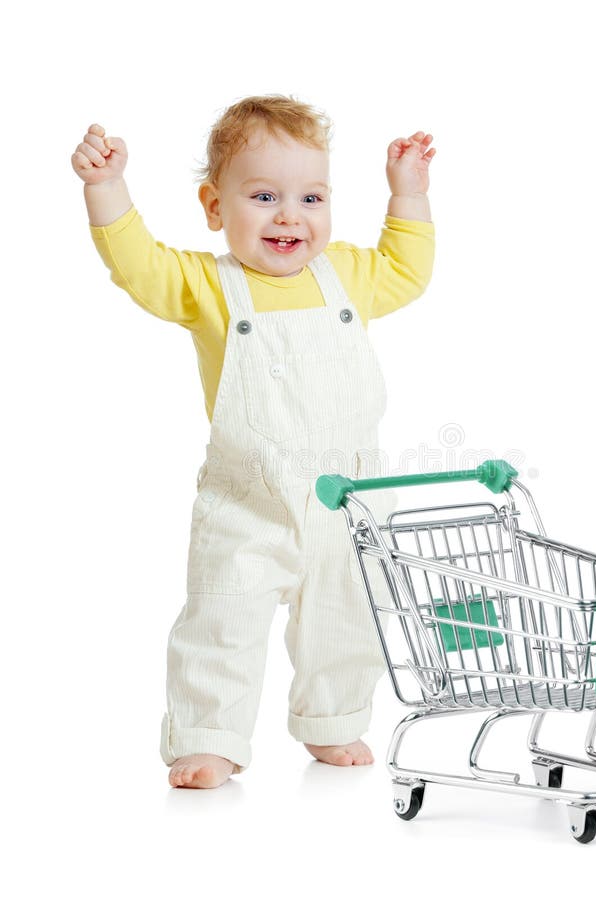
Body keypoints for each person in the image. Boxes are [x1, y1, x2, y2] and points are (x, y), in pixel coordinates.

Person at [71, 95, 435, 789]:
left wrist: (407, 195)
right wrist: (105, 187)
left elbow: (408, 270)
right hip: (248, 497)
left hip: (348, 498)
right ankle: (209, 736)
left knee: (345, 616)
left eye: (310, 196)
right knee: (222, 618)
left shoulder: (349, 275)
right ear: (214, 206)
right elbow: (138, 267)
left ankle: (333, 721)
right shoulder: (207, 285)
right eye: (263, 195)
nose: (289, 215)